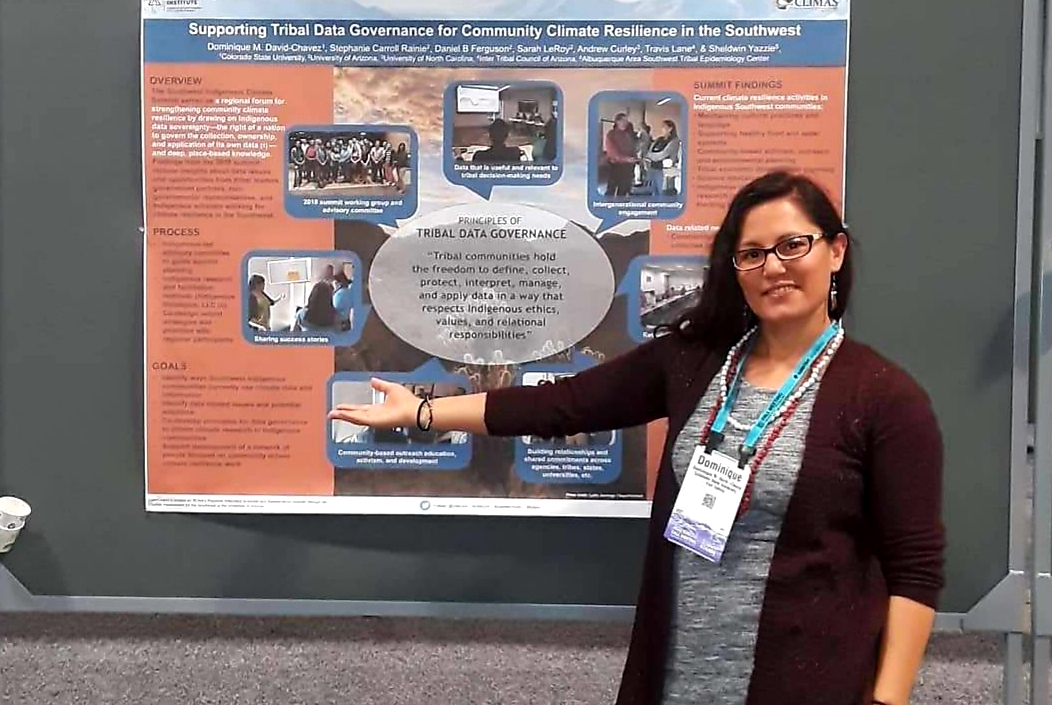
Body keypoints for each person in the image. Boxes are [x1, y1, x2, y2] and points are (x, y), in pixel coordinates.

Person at [327, 170, 944, 705]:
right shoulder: (695, 361)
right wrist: (426, 412)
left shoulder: (884, 398)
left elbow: (914, 570)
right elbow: (561, 405)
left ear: (835, 252)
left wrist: (887, 698)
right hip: (675, 675)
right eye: (752, 254)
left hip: (810, 682)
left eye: (792, 245)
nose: (773, 267)